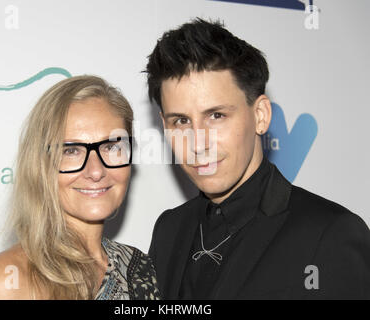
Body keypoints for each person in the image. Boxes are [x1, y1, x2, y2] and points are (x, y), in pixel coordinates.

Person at [145, 18, 370, 299]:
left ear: (260, 116)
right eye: (181, 121)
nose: (198, 143)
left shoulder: (329, 234)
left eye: (216, 116)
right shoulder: (169, 229)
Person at [0, 75, 160, 300]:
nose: (96, 171)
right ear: (41, 165)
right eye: (71, 151)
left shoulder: (141, 268)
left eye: (111, 147)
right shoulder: (9, 280)